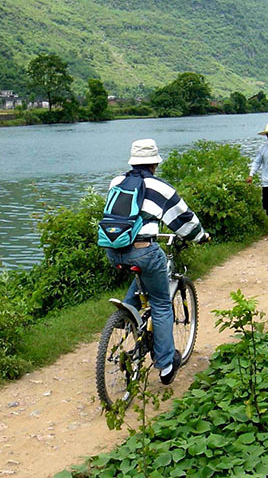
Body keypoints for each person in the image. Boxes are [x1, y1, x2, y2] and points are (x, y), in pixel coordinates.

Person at [104, 138, 209, 385]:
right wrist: (201, 236)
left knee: (143, 273)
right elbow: (184, 220)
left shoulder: (116, 182)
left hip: (112, 249)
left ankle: (127, 316)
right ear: (154, 163)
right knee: (162, 303)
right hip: (144, 251)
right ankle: (165, 365)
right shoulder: (160, 187)